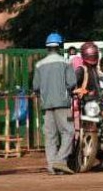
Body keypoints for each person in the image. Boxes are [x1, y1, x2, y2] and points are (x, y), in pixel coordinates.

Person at [32, 33, 77, 175]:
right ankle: (60, 160)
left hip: (46, 104)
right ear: (59, 46)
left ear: (47, 47)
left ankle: (52, 166)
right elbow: (72, 83)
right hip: (62, 103)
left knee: (50, 136)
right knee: (68, 132)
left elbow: (35, 86)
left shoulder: (39, 64)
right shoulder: (66, 63)